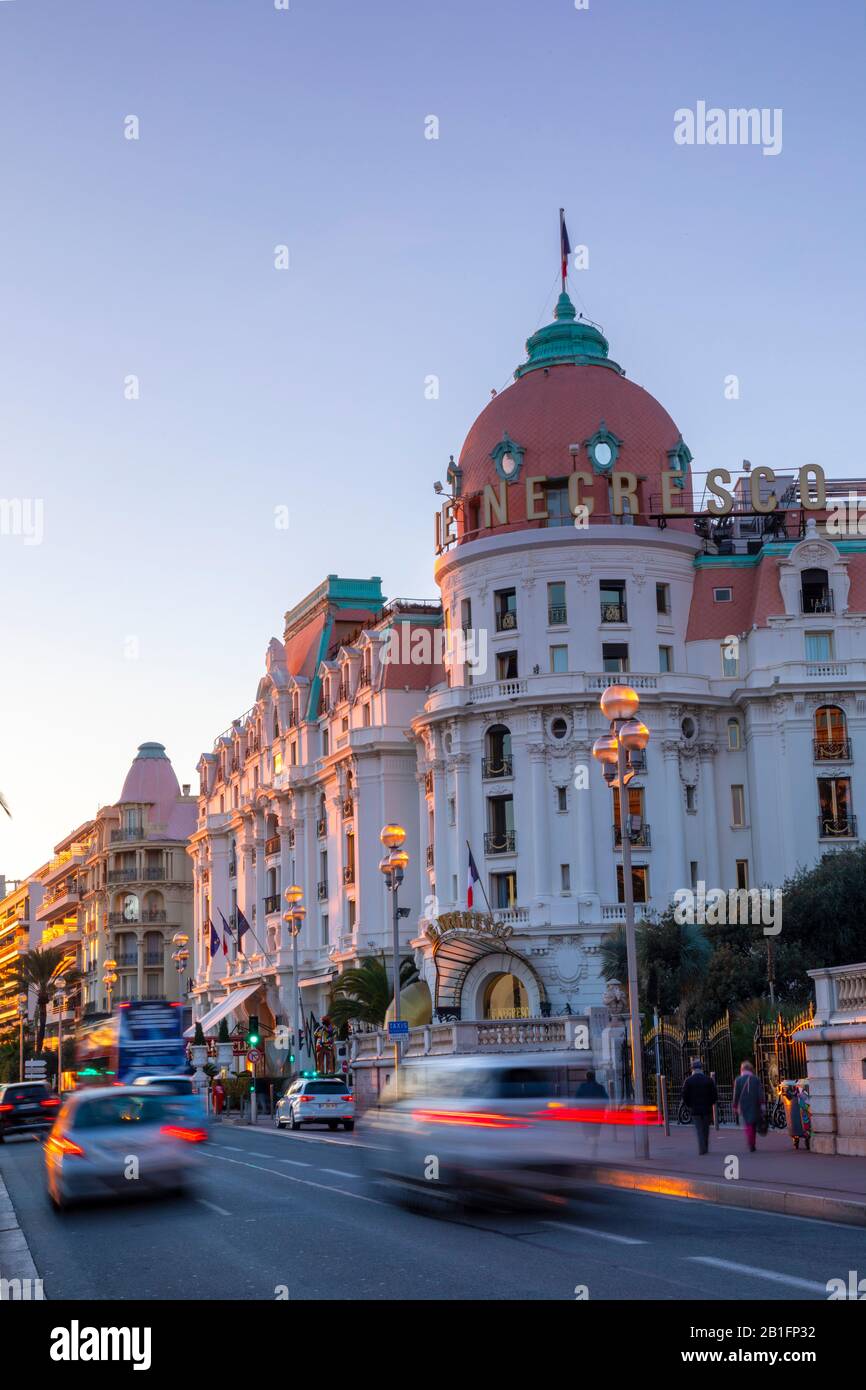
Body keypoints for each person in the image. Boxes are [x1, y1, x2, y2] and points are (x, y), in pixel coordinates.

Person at [681, 1058, 718, 1155]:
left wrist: (689, 1105)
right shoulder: (708, 1080)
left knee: (699, 1130)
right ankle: (705, 1145)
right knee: (706, 1128)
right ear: (701, 1068)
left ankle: (702, 1148)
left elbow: (684, 1095)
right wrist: (711, 1103)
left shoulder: (688, 1081)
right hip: (706, 1108)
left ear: (692, 1069)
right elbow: (714, 1094)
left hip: (694, 1109)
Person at [732, 1060, 765, 1152]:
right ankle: (752, 1142)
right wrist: (762, 1104)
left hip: (743, 1104)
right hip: (755, 1103)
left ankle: (751, 1142)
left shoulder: (738, 1080)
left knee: (748, 1123)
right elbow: (760, 1094)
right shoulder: (756, 1079)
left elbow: (736, 1094)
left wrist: (735, 1105)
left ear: (742, 1069)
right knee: (753, 1123)